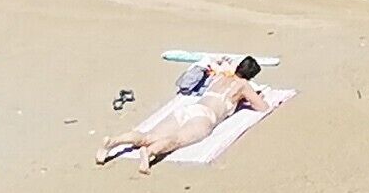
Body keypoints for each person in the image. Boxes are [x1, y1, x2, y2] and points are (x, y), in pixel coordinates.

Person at [97, 54, 271, 168]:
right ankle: (149, 152)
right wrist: (254, 96)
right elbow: (262, 107)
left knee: (148, 135)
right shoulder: (243, 86)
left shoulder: (220, 76)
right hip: (206, 116)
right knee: (178, 139)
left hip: (190, 108)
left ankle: (114, 141)